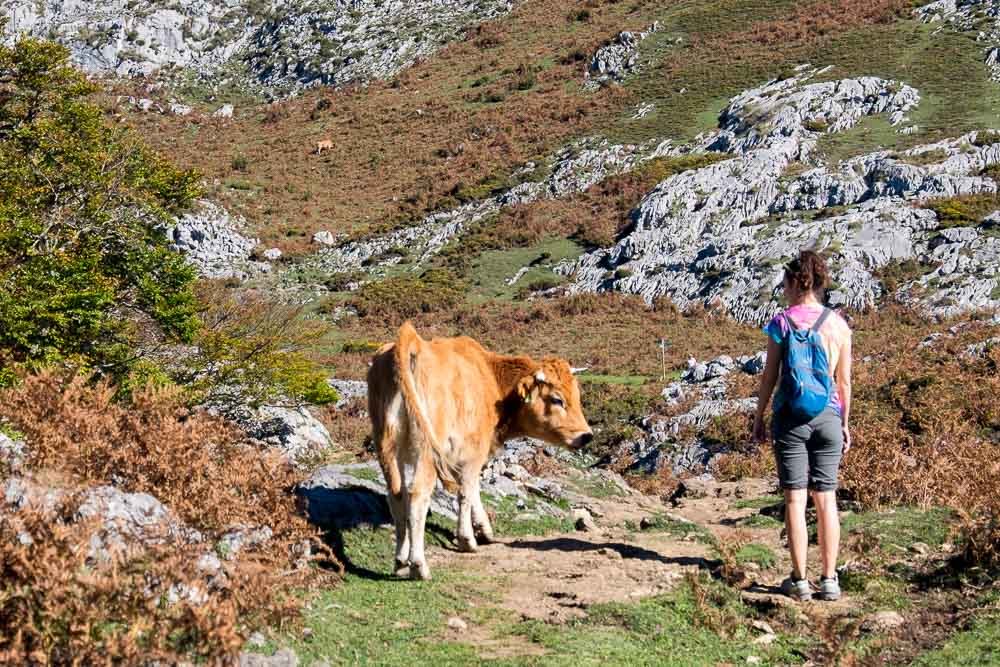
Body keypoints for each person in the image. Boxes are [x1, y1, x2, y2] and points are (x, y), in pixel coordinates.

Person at [752, 250, 853, 602]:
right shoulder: (839, 325)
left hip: (790, 418)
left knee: (795, 500)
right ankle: (829, 580)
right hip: (827, 417)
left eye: (784, 281)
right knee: (826, 498)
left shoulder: (782, 323)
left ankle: (799, 580)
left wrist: (759, 415)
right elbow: (844, 384)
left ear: (795, 282)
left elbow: (770, 377)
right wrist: (843, 423)